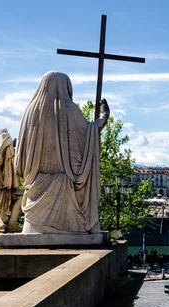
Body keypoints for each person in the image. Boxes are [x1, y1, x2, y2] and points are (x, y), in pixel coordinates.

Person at [15, 71, 110, 233]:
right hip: (64, 181)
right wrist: (105, 116)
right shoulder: (69, 109)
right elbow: (89, 132)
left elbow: (21, 151)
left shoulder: (30, 111)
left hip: (36, 181)